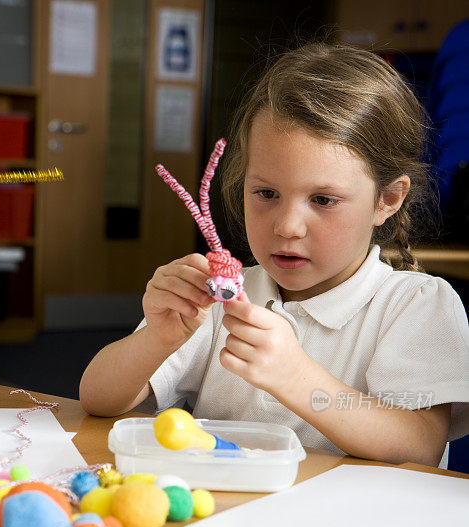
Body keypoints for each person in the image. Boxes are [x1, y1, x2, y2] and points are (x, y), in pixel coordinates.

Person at [80, 42, 469, 468]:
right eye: (266, 193)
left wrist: (294, 376)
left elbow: (419, 445)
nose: (286, 226)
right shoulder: (221, 299)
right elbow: (98, 400)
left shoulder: (416, 305)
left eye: (322, 199)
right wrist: (157, 337)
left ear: (388, 199)